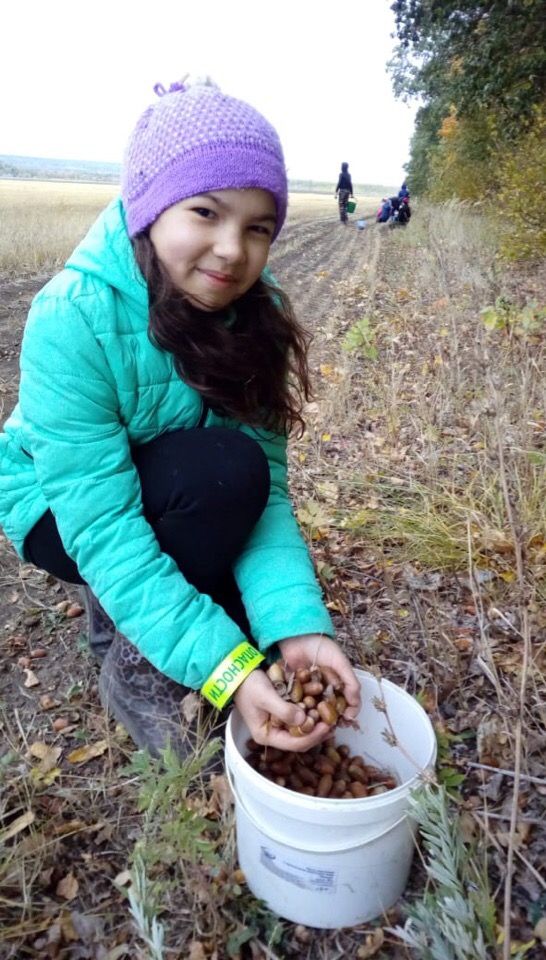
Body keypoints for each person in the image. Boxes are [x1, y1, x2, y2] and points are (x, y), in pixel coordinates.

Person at [0, 78, 361, 759]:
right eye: (206, 211)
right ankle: (132, 668)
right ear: (149, 205)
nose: (233, 250)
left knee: (236, 486)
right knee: (217, 488)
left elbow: (265, 497)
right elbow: (103, 525)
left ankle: (156, 610)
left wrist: (299, 631)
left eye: (259, 227)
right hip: (57, 505)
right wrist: (228, 675)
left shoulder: (257, 310)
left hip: (172, 477)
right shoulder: (71, 317)